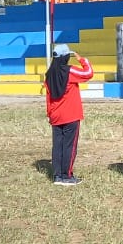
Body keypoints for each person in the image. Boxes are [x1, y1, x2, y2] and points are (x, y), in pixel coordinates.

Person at [45, 44, 94, 186]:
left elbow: (48, 97)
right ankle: (67, 175)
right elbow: (88, 73)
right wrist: (83, 60)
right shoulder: (70, 71)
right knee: (69, 146)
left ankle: (57, 175)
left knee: (57, 146)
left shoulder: (49, 74)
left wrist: (49, 114)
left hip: (55, 115)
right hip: (71, 115)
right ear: (66, 57)